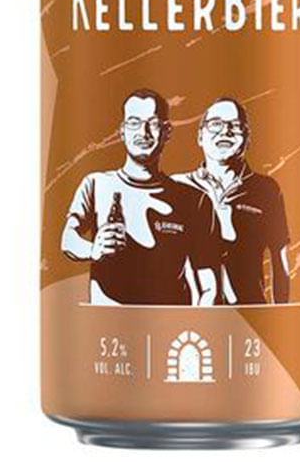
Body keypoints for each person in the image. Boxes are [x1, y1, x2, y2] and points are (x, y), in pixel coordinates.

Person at [61, 88, 218, 305]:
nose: (143, 133)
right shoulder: (96, 184)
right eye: (134, 123)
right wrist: (93, 249)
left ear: (167, 132)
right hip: (108, 322)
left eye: (152, 123)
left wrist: (194, 320)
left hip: (169, 322)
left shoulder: (193, 200)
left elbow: (209, 285)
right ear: (122, 131)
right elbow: (68, 239)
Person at [174, 98, 291, 304]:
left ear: (247, 138)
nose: (225, 131)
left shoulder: (266, 190)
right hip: (191, 316)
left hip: (249, 313)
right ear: (200, 136)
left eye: (235, 126)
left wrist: (281, 311)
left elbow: (279, 259)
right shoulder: (178, 187)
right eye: (215, 124)